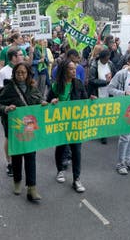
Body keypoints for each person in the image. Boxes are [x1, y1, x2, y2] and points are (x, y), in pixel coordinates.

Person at [0, 63, 47, 202]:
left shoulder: (32, 88)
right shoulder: (8, 89)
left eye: (23, 73)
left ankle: (32, 188)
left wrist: (43, 102)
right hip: (15, 128)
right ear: (14, 74)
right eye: (18, 73)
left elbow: (40, 99)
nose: (21, 75)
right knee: (17, 156)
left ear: (28, 74)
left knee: (31, 157)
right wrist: (6, 108)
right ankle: (17, 182)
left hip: (30, 127)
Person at [47, 58, 89, 193]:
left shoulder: (78, 83)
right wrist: (52, 102)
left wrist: (91, 101)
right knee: (60, 147)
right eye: (71, 69)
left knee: (76, 151)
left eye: (75, 69)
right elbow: (47, 103)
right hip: (61, 124)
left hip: (76, 124)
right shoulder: (56, 86)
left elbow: (85, 100)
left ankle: (77, 179)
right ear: (64, 71)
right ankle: (60, 170)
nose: (74, 71)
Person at [0, 47, 25, 176]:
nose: (22, 56)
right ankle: (10, 162)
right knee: (9, 136)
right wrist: (6, 108)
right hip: (9, 111)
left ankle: (18, 160)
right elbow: (0, 94)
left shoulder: (24, 68)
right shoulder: (4, 72)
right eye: (20, 55)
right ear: (13, 57)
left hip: (23, 112)